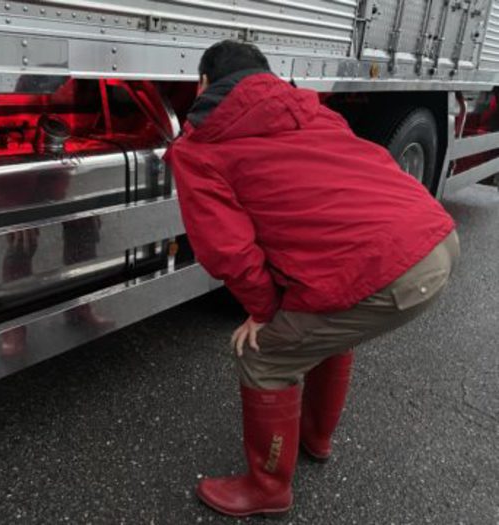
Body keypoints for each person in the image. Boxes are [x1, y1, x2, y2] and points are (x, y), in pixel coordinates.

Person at [163, 40, 459, 518]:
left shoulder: (202, 146)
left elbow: (228, 251)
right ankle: (316, 439)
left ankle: (267, 488)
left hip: (387, 269)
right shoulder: (314, 112)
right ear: (266, 77)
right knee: (327, 321)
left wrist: (262, 312)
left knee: (264, 354)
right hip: (435, 238)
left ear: (203, 84)